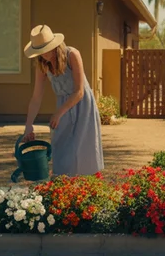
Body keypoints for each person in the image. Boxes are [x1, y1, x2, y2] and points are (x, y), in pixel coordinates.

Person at [22, 25, 104, 176]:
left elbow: (79, 91)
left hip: (82, 105)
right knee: (61, 147)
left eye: (46, 48)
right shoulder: (42, 65)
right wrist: (28, 126)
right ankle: (62, 184)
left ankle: (88, 186)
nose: (44, 53)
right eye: (40, 50)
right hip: (63, 105)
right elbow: (36, 98)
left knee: (82, 149)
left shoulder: (72, 54)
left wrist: (59, 113)